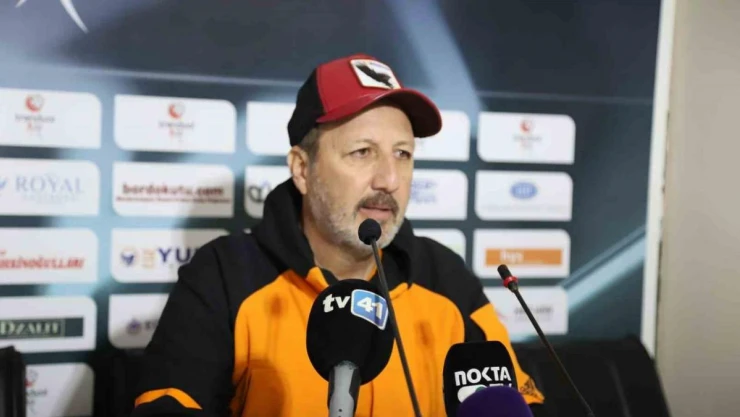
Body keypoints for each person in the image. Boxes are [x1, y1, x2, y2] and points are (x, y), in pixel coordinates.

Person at [130, 53, 546, 417]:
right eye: (362, 152)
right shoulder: (226, 275)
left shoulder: (445, 277)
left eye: (402, 154)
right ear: (302, 169)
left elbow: (521, 405)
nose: (389, 179)